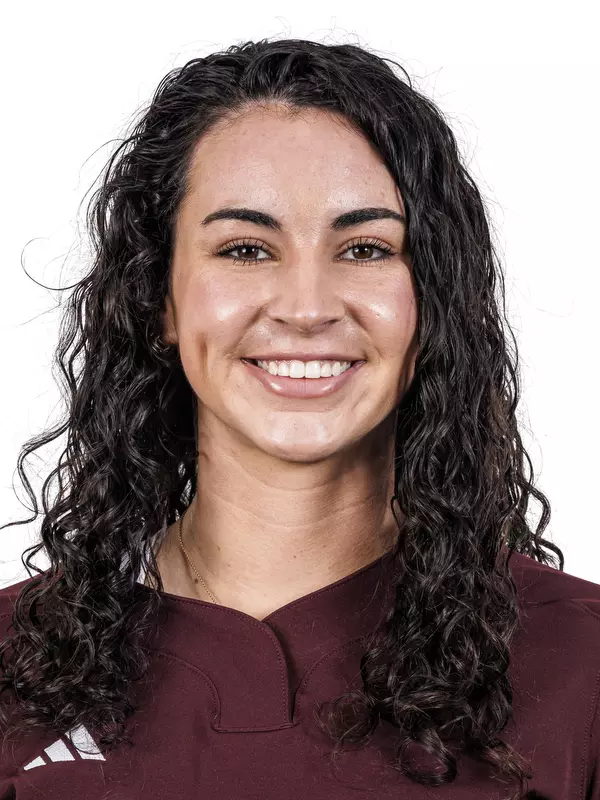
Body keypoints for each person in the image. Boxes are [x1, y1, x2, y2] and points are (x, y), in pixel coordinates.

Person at [0, 37, 598, 800]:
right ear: (160, 298)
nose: (308, 307)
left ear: (433, 301)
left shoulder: (583, 663)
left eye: (365, 248)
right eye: (246, 248)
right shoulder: (11, 667)